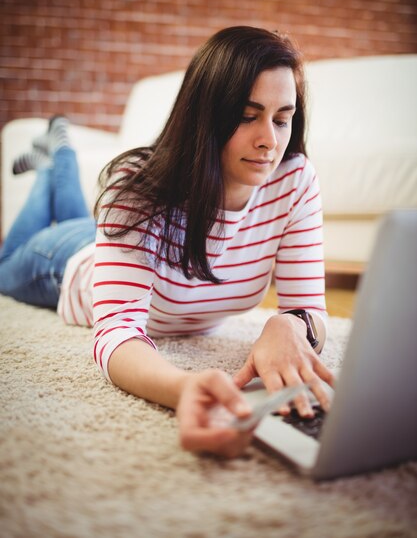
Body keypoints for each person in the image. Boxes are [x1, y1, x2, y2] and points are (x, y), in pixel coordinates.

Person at [1, 26, 334, 458]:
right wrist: (182, 386)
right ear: (207, 114)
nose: (269, 140)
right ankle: (54, 160)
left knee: (78, 219)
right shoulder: (137, 187)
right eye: (248, 116)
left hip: (117, 238)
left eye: (282, 118)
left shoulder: (294, 181)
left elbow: (310, 311)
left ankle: (55, 157)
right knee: (8, 261)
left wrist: (288, 324)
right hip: (66, 265)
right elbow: (116, 330)